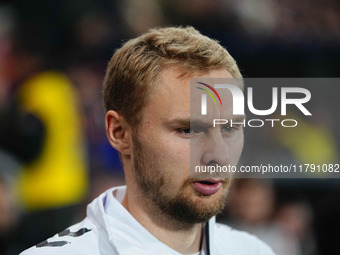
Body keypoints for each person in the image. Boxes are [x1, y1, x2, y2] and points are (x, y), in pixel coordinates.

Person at [20, 26, 275, 255]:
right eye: (188, 130)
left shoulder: (255, 250)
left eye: (230, 128)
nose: (218, 155)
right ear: (119, 132)